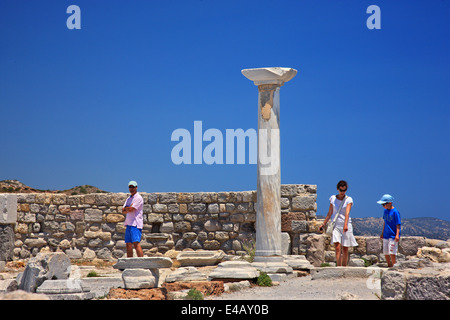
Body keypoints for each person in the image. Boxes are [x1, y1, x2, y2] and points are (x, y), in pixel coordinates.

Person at [319, 180, 358, 266]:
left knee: (345, 248)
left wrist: (345, 225)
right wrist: (324, 223)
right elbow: (330, 213)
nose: (342, 192)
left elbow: (347, 213)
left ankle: (344, 267)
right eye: (341, 190)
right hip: (336, 224)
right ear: (337, 189)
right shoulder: (333, 198)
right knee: (337, 247)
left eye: (344, 190)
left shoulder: (349, 199)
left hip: (346, 224)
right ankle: (338, 266)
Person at [377, 194, 401, 267]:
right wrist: (382, 233)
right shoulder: (385, 211)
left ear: (389, 203)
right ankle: (389, 265)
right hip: (386, 234)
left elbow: (398, 224)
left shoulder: (395, 212)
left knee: (392, 251)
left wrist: (397, 235)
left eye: (384, 204)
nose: (383, 206)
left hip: (393, 235)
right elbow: (385, 222)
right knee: (385, 251)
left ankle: (394, 266)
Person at [122, 180, 144, 257]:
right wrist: (129, 208)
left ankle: (142, 263)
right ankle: (129, 263)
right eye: (130, 187)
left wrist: (127, 208)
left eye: (133, 187)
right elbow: (123, 210)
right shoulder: (128, 198)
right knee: (128, 244)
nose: (131, 188)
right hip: (129, 223)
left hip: (135, 224)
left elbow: (131, 209)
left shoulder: (138, 198)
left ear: (136, 187)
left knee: (136, 243)